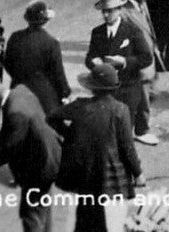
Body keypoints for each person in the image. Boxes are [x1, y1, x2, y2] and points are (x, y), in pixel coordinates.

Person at [48, 63, 143, 232]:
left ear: (92, 88)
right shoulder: (120, 110)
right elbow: (127, 147)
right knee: (110, 219)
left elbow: (52, 117)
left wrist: (69, 134)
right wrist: (138, 173)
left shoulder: (79, 106)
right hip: (109, 172)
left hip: (84, 170)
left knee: (84, 214)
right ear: (113, 88)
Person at [0, 76, 61, 232]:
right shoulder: (21, 91)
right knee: (43, 210)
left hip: (38, 167)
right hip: (50, 157)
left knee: (31, 215)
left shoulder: (15, 113)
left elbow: (8, 149)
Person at [86, 0, 156, 145]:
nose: (106, 15)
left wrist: (124, 62)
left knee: (123, 134)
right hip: (105, 91)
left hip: (128, 89)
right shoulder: (97, 33)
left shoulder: (132, 31)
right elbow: (89, 57)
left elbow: (146, 58)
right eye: (104, 11)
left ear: (119, 10)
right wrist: (94, 63)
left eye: (110, 11)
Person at [3, 0, 70, 115]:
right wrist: (65, 92)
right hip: (44, 98)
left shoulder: (15, 37)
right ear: (45, 21)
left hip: (18, 91)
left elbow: (7, 63)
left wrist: (19, 77)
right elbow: (58, 73)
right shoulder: (51, 43)